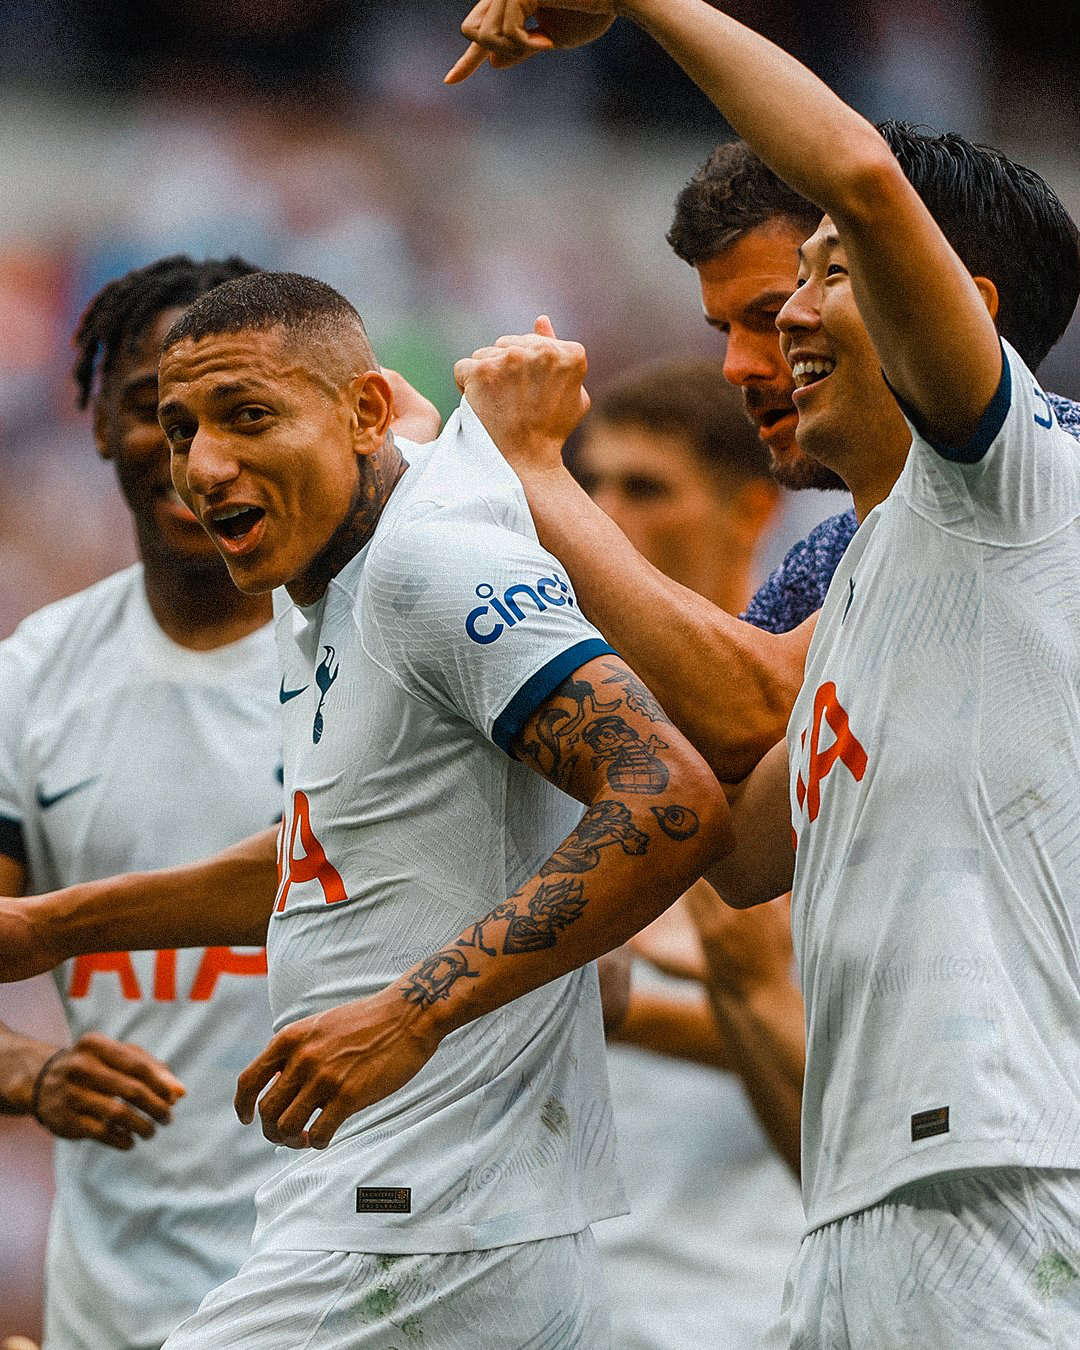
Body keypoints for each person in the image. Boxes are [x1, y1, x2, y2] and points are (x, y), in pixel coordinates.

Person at [448, 2, 1080, 1343]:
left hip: (1003, 1165)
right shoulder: (867, 570)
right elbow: (733, 851)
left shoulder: (1022, 480)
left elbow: (857, 168)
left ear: (958, 311)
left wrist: (640, 2)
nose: (787, 317)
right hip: (871, 1188)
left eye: (830, 275)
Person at [0, 270, 729, 1346]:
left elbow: (669, 796)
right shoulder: (335, 584)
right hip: (398, 1225)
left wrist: (411, 1014)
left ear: (365, 411)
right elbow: (320, 858)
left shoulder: (429, 566)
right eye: (176, 425)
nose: (201, 466)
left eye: (247, 417)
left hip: (421, 1234)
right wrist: (49, 928)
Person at [0, 254, 283, 1350]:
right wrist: (37, 1073)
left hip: (352, 1278)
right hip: (115, 1303)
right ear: (97, 427)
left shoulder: (381, 645)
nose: (191, 453)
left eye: (232, 412)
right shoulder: (35, 675)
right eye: (151, 412)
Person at [578, 358, 804, 1348]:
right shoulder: (556, 736)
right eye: (589, 484)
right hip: (564, 1306)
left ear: (750, 511)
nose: (601, 514)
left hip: (748, 1302)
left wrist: (616, 1011)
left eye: (645, 488)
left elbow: (860, 1053)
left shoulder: (805, 736)